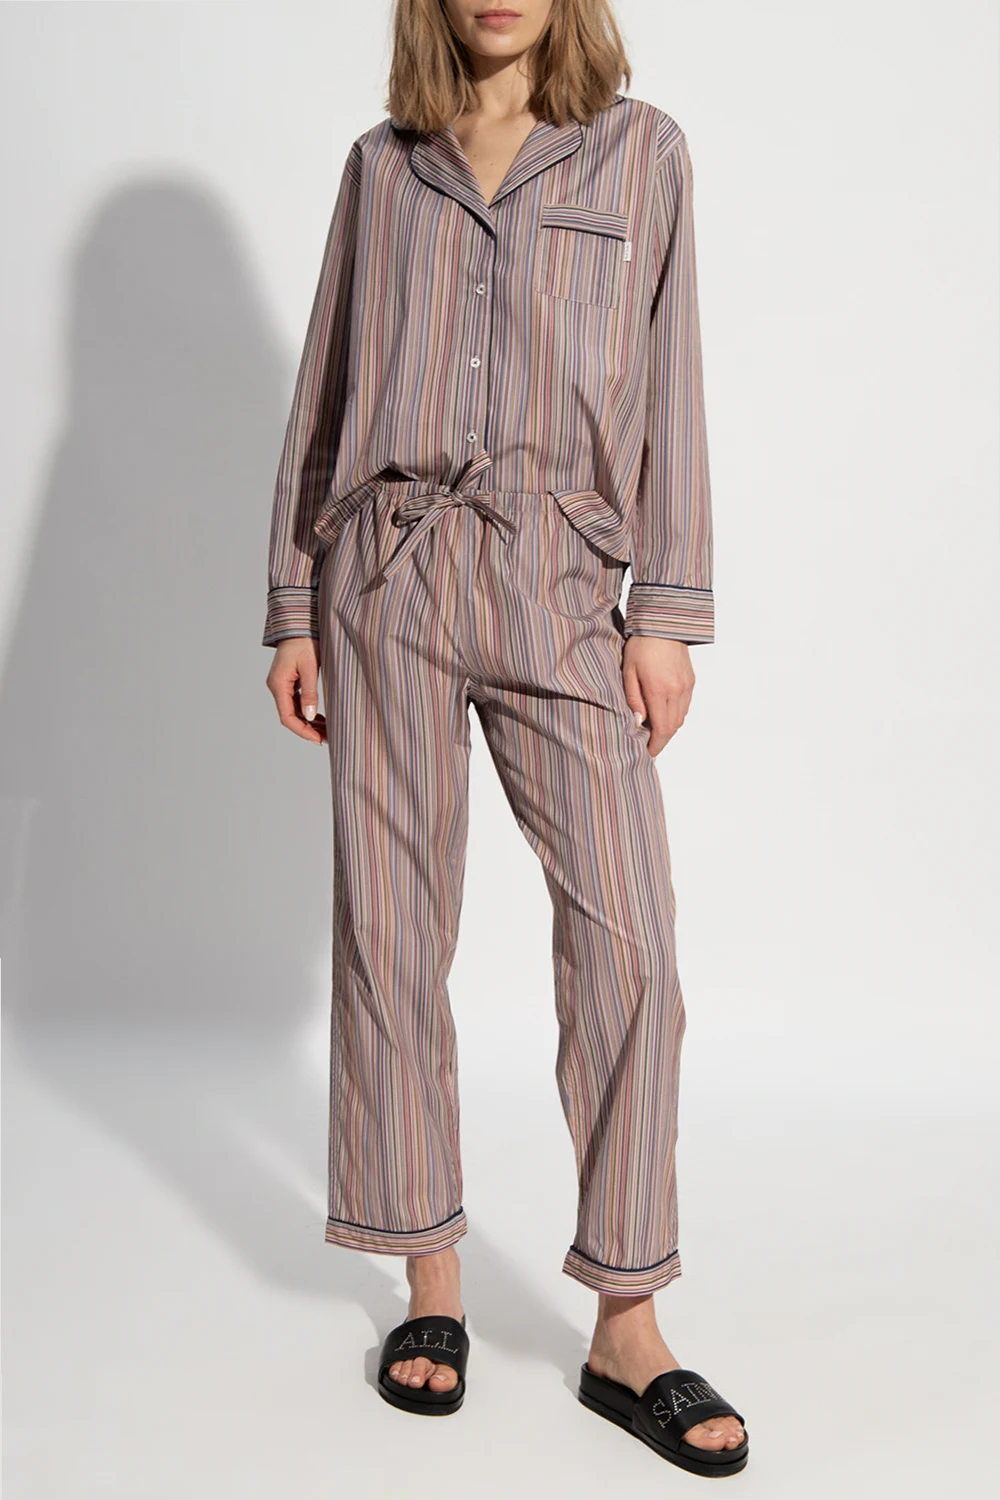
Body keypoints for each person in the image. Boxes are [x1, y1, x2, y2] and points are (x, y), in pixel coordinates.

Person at [262, 0, 748, 1477]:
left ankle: (627, 1324)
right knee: (392, 934)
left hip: (558, 584)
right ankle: (431, 1283)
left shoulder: (641, 154)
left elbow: (672, 382)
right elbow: (326, 388)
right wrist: (293, 603)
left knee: (628, 941)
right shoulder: (384, 165)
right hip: (388, 579)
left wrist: (665, 610)